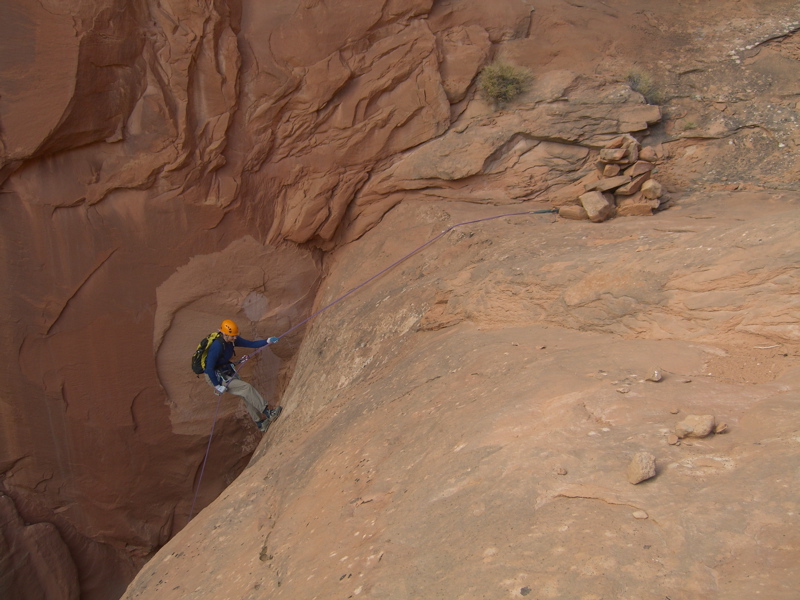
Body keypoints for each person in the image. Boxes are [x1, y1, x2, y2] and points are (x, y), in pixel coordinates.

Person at [203, 319, 282, 432]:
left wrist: (268, 340)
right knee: (246, 388)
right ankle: (268, 413)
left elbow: (251, 344)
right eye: (232, 336)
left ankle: (260, 423)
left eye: (235, 335)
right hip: (216, 377)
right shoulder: (217, 346)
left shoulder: (233, 340)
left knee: (245, 394)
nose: (235, 338)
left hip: (225, 372)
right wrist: (217, 386)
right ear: (224, 334)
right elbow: (209, 368)